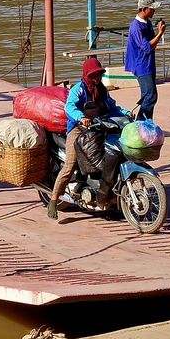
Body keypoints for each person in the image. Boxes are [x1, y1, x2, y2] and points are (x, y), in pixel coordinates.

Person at [47, 57, 130, 220]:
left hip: (99, 126)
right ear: (87, 75)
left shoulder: (102, 90)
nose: (97, 78)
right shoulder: (78, 89)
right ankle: (53, 199)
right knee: (70, 165)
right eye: (94, 75)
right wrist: (81, 117)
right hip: (78, 129)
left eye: (99, 74)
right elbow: (69, 106)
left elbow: (111, 107)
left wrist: (125, 113)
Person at [124, 0, 166, 121]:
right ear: (143, 9)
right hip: (141, 65)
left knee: (147, 96)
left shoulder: (147, 23)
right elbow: (147, 47)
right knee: (151, 96)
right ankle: (140, 123)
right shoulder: (136, 27)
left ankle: (148, 123)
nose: (154, 11)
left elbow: (151, 44)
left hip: (148, 63)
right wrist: (160, 33)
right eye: (151, 9)